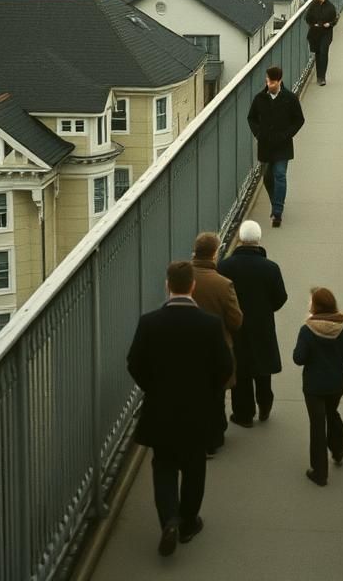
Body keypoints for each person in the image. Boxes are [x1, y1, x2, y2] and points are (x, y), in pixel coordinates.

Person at [127, 260, 233, 556]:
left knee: (163, 466)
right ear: (193, 287)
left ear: (167, 285)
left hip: (161, 410)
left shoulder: (149, 322)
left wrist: (155, 388)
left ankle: (168, 520)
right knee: (194, 466)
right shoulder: (210, 325)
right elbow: (225, 367)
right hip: (198, 411)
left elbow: (134, 364)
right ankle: (188, 523)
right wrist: (208, 392)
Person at [218, 219, 288, 426]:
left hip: (236, 325)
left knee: (241, 368)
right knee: (262, 366)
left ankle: (244, 414)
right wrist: (266, 310)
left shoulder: (225, 266)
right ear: (258, 240)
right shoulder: (271, 268)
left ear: (240, 239)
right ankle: (265, 404)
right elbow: (280, 297)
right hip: (262, 324)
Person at [292, 287, 343, 486]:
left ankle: (320, 472)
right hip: (337, 383)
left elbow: (298, 358)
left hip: (314, 386)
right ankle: (338, 449)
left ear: (316, 306)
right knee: (332, 411)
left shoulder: (307, 330)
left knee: (317, 424)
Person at [191, 232, 243, 453]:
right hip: (217, 347)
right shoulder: (223, 284)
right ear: (214, 254)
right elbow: (236, 320)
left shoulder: (183, 277)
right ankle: (213, 440)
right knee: (216, 394)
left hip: (190, 348)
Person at [247, 65, 305, 228]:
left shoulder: (290, 98)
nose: (269, 85)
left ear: (279, 81)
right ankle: (276, 202)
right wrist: (258, 134)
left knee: (280, 174)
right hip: (265, 145)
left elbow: (299, 120)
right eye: (268, 81)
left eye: (272, 82)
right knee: (267, 178)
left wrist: (287, 134)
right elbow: (251, 118)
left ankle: (277, 212)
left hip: (282, 145)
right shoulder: (260, 99)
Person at [304, 0, 338, 86]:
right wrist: (313, 24)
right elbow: (307, 18)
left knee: (324, 52)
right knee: (318, 54)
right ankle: (319, 76)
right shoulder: (313, 6)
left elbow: (335, 18)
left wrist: (330, 24)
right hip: (315, 33)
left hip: (326, 33)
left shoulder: (330, 7)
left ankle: (322, 77)